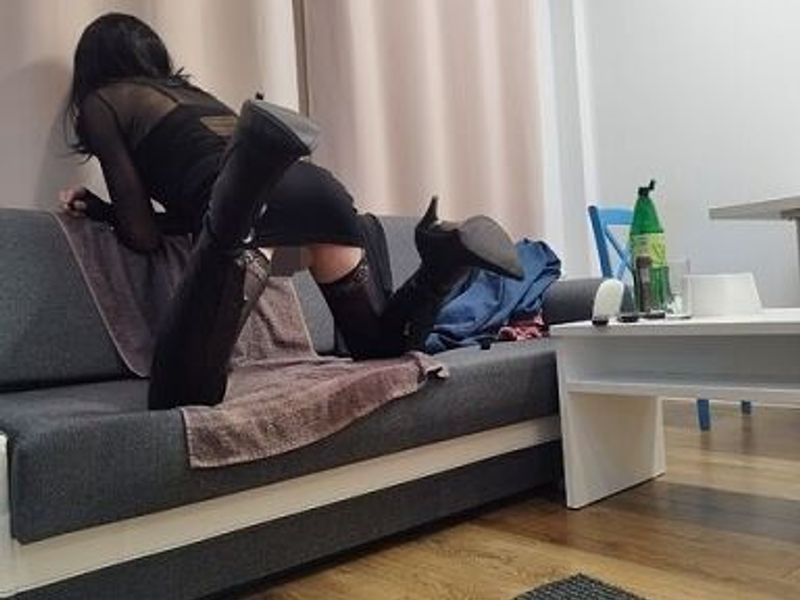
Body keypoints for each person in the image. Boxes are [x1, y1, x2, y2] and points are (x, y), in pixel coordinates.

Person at [62, 13, 523, 410]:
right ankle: (441, 266)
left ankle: (240, 197)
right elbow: (189, 211)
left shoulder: (101, 102)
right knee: (377, 347)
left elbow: (142, 235)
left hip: (246, 207)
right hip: (316, 189)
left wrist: (106, 213)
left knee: (179, 393)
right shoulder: (192, 93)